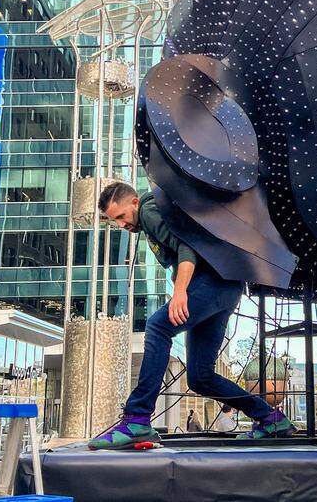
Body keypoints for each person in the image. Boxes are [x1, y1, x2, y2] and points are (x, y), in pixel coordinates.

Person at [86, 182, 296, 450]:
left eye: (121, 216)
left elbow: (186, 246)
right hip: (225, 286)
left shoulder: (148, 210)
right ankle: (271, 418)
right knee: (200, 377)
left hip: (213, 282)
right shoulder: (154, 211)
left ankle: (137, 419)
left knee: (158, 326)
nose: (121, 224)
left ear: (134, 202)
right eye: (114, 221)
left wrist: (180, 292)